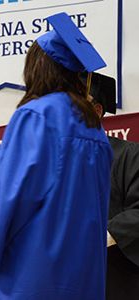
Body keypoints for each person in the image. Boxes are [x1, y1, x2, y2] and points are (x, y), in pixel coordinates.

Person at [0, 12, 113, 300]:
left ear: (39, 68)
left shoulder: (36, 115)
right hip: (83, 275)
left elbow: (12, 196)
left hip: (30, 274)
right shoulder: (95, 129)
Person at [81, 71, 139, 300]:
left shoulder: (129, 154)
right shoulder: (57, 163)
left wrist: (94, 238)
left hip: (117, 276)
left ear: (97, 111)